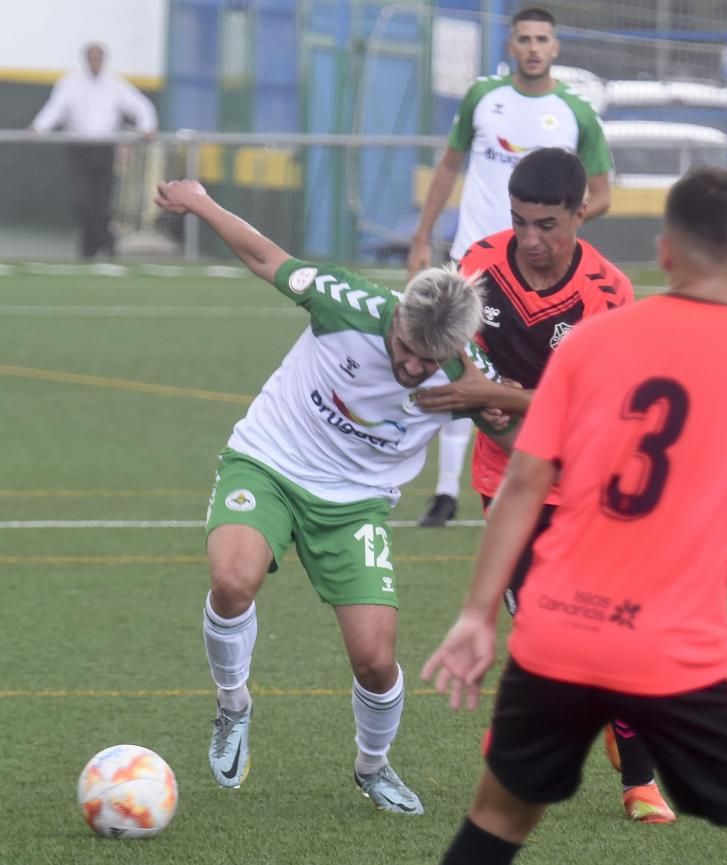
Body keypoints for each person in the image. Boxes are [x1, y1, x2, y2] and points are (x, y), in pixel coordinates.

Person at [420, 168, 727, 865]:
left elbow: (526, 482)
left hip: (556, 628)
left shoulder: (597, 341)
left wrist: (476, 615)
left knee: (497, 820)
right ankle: (640, 777)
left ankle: (636, 777)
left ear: (665, 252)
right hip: (675, 644)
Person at [152, 177, 513, 814]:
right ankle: (233, 704)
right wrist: (200, 202)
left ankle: (372, 769)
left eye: (425, 363)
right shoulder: (346, 302)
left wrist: (497, 401)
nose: (409, 369)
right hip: (268, 460)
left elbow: (526, 437)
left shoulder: (465, 376)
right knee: (232, 581)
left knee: (376, 660)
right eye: (404, 349)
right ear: (397, 314)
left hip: (355, 503)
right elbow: (267, 256)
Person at [412, 147, 673, 823]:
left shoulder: (610, 293)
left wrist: (495, 393)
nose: (531, 240)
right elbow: (449, 350)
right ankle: (624, 760)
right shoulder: (476, 265)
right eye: (520, 221)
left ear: (581, 213)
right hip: (512, 481)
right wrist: (473, 396)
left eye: (548, 224)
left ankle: (634, 770)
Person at [407, 6, 612, 528]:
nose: (534, 47)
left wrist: (554, 227)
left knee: (527, 381)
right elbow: (450, 165)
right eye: (524, 38)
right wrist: (423, 236)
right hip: (474, 261)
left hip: (540, 273)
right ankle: (446, 490)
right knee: (456, 367)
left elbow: (602, 193)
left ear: (556, 47)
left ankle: (539, 484)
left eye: (543, 38)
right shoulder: (483, 98)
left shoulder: (576, 114)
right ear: (510, 45)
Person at [30, 42, 158, 259]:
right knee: (81, 200)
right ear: (85, 59)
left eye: (99, 57)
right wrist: (38, 128)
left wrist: (147, 127)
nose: (95, 61)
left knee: (102, 200)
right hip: (79, 149)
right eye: (92, 57)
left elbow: (140, 106)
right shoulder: (70, 83)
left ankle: (93, 248)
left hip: (104, 149)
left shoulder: (115, 84)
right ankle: (103, 241)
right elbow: (55, 108)